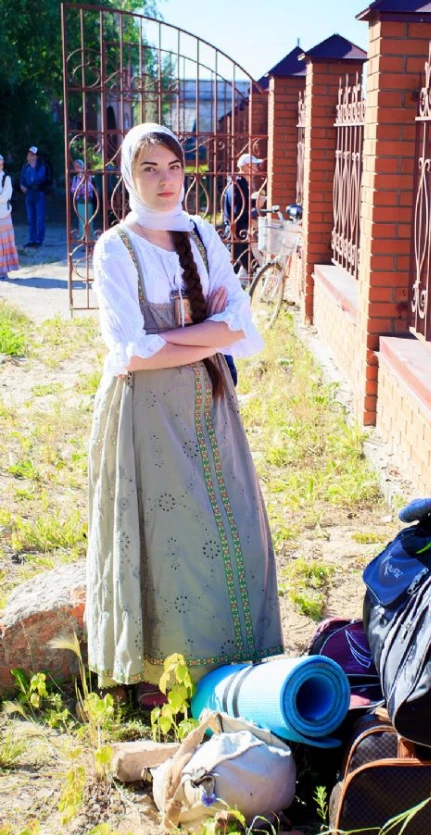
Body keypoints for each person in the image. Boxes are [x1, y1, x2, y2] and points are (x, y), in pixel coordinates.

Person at [86, 123, 283, 707]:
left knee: (229, 524)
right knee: (165, 536)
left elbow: (242, 327)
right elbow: (130, 352)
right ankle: (161, 673)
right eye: (150, 168)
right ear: (129, 175)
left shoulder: (202, 236)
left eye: (174, 166)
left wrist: (178, 341)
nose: (165, 180)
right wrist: (209, 336)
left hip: (209, 407)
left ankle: (227, 658)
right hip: (145, 419)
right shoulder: (113, 249)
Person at [223, 153, 263, 284]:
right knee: (231, 265)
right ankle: (225, 288)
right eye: (254, 165)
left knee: (245, 259)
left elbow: (240, 206)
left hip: (240, 230)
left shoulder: (241, 183)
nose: (257, 167)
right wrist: (255, 211)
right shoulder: (237, 185)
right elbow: (237, 212)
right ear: (246, 166)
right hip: (237, 231)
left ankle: (259, 282)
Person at [19, 145, 47, 248]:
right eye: (28, 154)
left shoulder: (41, 167)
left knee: (39, 218)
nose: (29, 156)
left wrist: (28, 185)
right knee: (30, 218)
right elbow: (22, 178)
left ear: (35, 156)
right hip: (29, 196)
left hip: (38, 195)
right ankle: (32, 239)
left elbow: (38, 180)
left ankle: (39, 241)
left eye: (31, 154)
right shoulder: (25, 167)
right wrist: (21, 185)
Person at [0, 155, 19, 281]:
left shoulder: (6, 178)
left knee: (5, 244)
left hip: (4, 214)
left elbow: (5, 196)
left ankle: (4, 270)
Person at [70, 159, 96, 240]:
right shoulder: (75, 178)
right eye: (75, 167)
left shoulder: (89, 177)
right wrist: (77, 190)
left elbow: (90, 188)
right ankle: (82, 238)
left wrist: (80, 190)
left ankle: (90, 239)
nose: (76, 168)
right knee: (81, 221)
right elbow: (72, 189)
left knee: (88, 220)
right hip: (80, 202)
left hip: (87, 202)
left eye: (78, 166)